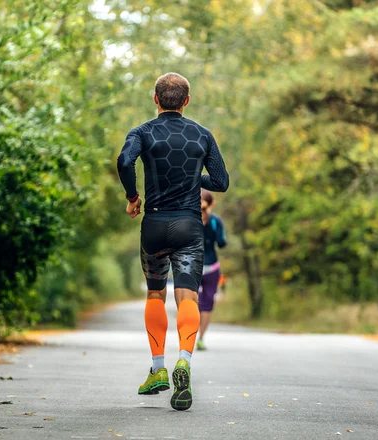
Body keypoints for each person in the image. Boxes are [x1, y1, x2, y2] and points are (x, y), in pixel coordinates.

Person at [116, 72, 229, 411]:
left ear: (155, 99)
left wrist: (133, 195)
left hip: (154, 224)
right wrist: (195, 177)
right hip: (188, 227)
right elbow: (221, 181)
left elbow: (124, 161)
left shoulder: (143, 132)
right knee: (187, 297)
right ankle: (184, 361)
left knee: (154, 292)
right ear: (186, 101)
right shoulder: (201, 134)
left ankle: (156, 369)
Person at [196, 190, 227, 351]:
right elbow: (221, 243)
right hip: (211, 267)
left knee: (192, 302)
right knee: (206, 305)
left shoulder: (191, 219)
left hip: (193, 266)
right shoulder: (216, 221)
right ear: (212, 204)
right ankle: (200, 338)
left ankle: (192, 336)